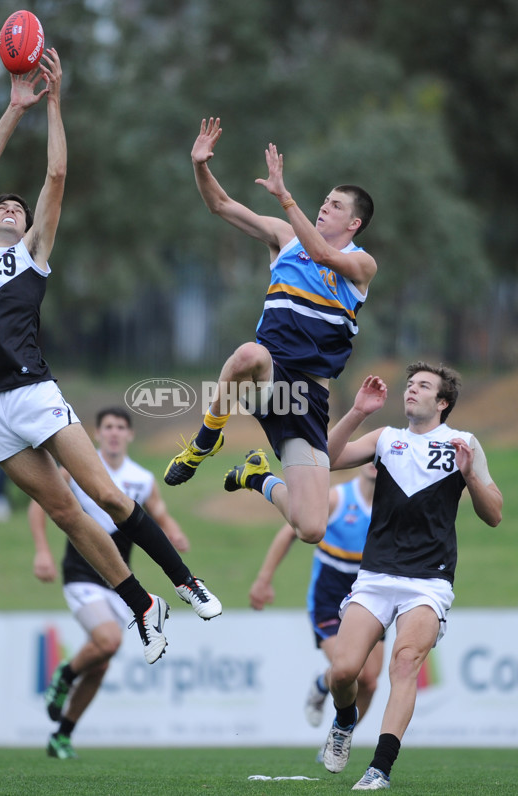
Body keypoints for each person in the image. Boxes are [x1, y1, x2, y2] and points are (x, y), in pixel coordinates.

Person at [0, 52, 220, 668]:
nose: (10, 209)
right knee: (67, 512)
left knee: (104, 493)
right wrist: (12, 109)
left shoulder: (34, 254)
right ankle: (143, 606)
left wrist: (52, 104)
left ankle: (184, 579)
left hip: (31, 392)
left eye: (17, 209)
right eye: (2, 208)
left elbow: (58, 176)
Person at [164, 117, 377, 547]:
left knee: (311, 527)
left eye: (336, 205)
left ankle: (256, 477)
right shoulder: (285, 237)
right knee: (250, 355)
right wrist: (200, 165)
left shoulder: (361, 264)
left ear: (354, 223)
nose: (324, 207)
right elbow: (221, 205)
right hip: (271, 379)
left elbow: (321, 253)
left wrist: (285, 198)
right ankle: (207, 437)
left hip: (308, 398)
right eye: (325, 200)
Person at [320, 365, 503, 790]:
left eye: (423, 386)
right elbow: (326, 460)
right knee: (342, 672)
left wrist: (470, 473)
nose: (411, 391)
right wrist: (357, 412)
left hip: (429, 580)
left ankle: (379, 768)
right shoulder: (385, 438)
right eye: (409, 385)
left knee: (404, 663)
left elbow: (493, 514)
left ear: (442, 402)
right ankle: (345, 720)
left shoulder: (464, 444)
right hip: (376, 576)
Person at [29, 407, 191, 759]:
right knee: (108, 640)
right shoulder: (76, 469)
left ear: (130, 435)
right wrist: (41, 551)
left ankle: (62, 735)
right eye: (108, 427)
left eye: (121, 427)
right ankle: (65, 675)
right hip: (81, 572)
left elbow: (159, 514)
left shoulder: (142, 478)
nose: (115, 433)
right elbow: (39, 504)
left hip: (118, 579)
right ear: (97, 434)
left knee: (102, 660)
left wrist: (174, 531)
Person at [249, 463, 384, 740]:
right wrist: (264, 580)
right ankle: (324, 683)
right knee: (352, 673)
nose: (374, 463)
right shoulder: (336, 499)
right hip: (329, 598)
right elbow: (290, 531)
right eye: (369, 456)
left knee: (370, 682)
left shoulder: (392, 508)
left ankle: (338, 739)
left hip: (371, 597)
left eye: (379, 458)